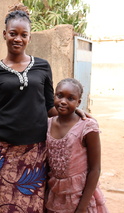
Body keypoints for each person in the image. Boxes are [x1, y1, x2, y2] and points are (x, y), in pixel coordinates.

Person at [0, 3, 88, 213]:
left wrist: (73, 114)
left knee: (34, 207)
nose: (18, 38)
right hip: (4, 154)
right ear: (4, 34)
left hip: (36, 153)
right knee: (4, 206)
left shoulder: (42, 67)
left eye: (24, 34)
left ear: (30, 37)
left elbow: (49, 107)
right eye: (13, 33)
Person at [46, 78, 108, 213]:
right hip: (55, 196)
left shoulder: (87, 127)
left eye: (71, 98)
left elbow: (95, 169)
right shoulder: (47, 124)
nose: (63, 101)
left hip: (81, 197)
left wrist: (81, 208)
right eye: (60, 95)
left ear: (78, 102)